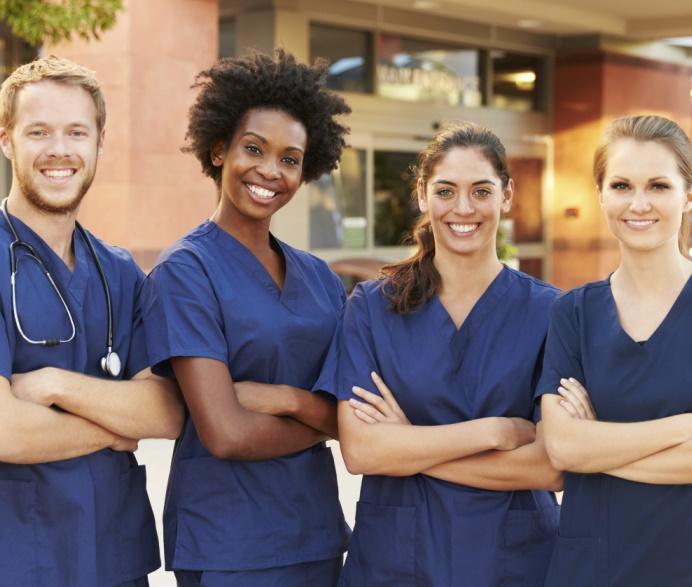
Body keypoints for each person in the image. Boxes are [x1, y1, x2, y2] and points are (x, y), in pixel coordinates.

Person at [140, 49, 352, 587]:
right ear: (218, 150)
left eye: (290, 158)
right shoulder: (186, 271)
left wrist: (286, 399)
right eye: (253, 149)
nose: (270, 171)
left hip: (318, 535)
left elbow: (351, 419)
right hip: (230, 544)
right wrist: (321, 420)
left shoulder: (321, 279)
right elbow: (227, 433)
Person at [325, 121, 562, 586]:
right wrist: (492, 430)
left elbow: (550, 466)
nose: (463, 208)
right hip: (399, 561)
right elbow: (361, 451)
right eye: (446, 190)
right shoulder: (372, 308)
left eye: (481, 190)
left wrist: (409, 445)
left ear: (506, 196)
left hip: (513, 562)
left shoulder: (552, 312)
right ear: (422, 195)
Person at [0, 56, 184, 586]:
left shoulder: (120, 271)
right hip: (20, 560)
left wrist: (54, 384)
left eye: (77, 131)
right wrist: (114, 425)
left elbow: (166, 412)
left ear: (100, 142)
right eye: (39, 131)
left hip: (113, 559)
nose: (60, 150)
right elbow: (6, 431)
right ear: (7, 140)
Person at [537, 114, 692, 586]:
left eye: (659, 186)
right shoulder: (573, 313)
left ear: (688, 194)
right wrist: (682, 429)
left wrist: (598, 444)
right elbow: (561, 446)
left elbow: (579, 449)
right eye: (622, 185)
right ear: (601, 194)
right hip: (593, 568)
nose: (639, 203)